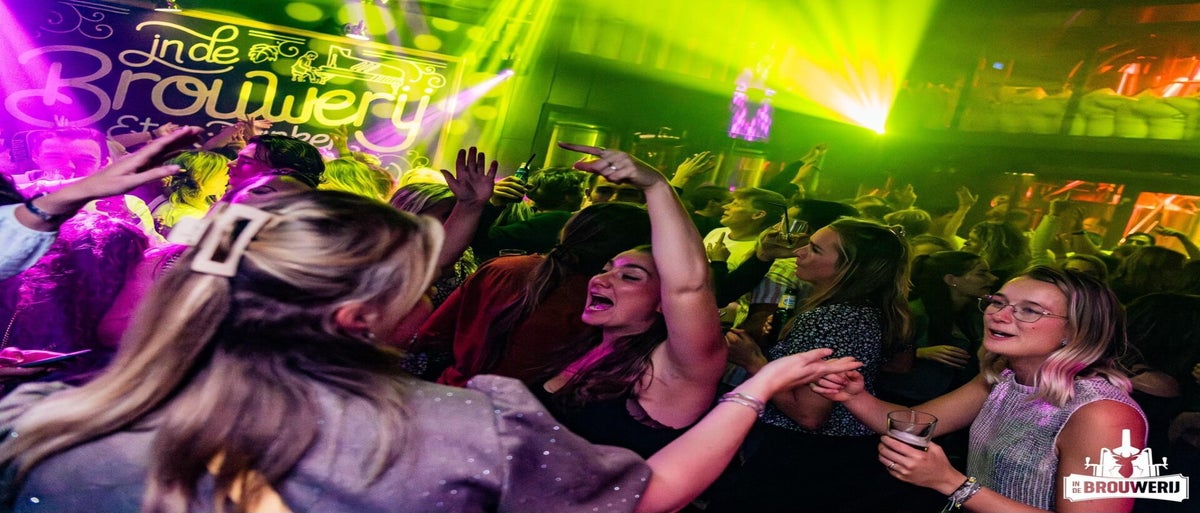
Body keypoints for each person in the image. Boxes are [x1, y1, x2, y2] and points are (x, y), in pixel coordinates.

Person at [0, 189, 860, 513]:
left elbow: (689, 292)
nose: (430, 298)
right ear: (360, 316)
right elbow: (647, 495)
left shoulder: (44, 418)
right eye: (415, 285)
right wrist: (759, 389)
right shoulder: (463, 429)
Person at [815, 266, 1147, 513]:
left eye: (1029, 310)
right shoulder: (1002, 378)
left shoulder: (1103, 414)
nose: (999, 315)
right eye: (998, 302)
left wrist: (950, 482)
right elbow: (917, 422)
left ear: (1075, 332)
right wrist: (854, 396)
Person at [708, 217, 912, 513]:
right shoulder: (865, 310)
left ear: (849, 268)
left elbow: (809, 416)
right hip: (841, 454)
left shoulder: (832, 318)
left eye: (815, 249)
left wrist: (754, 363)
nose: (799, 252)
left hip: (802, 457)